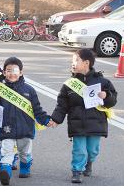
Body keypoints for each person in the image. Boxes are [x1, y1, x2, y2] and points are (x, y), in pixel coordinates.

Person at [49, 49, 117, 183]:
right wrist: (56, 119)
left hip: (96, 123)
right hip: (77, 123)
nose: (72, 64)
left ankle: (89, 163)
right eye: (72, 61)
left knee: (93, 150)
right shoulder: (68, 85)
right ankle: (76, 171)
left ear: (86, 63)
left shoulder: (103, 82)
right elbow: (62, 105)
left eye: (76, 61)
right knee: (79, 149)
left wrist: (106, 96)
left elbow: (113, 100)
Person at [0, 57, 51, 185]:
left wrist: (46, 120)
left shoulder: (29, 90)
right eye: (8, 70)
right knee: (7, 153)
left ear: (21, 72)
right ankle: (5, 172)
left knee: (25, 152)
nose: (12, 73)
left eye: (15, 70)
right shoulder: (0, 89)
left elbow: (37, 109)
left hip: (25, 129)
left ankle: (25, 167)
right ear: (4, 73)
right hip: (6, 128)